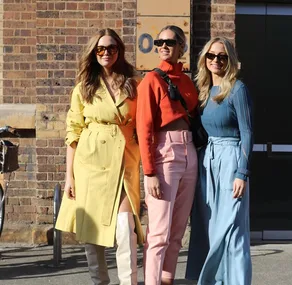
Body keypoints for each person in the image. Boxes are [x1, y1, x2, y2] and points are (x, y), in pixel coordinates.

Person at [55, 28, 144, 285]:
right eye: (100, 49)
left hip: (125, 159)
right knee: (92, 230)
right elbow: (73, 133)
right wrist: (69, 177)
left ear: (119, 51)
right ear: (94, 53)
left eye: (112, 48)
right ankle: (100, 282)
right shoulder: (83, 87)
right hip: (90, 162)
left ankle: (129, 282)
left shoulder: (133, 84)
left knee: (125, 228)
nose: (106, 53)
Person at [186, 37, 254, 285]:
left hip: (231, 160)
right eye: (211, 56)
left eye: (222, 56)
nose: (216, 60)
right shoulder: (203, 91)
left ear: (230, 60)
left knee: (232, 228)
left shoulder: (237, 89)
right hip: (208, 163)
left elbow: (247, 132)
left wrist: (242, 172)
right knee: (211, 227)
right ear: (205, 59)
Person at [136, 25, 198, 285]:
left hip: (189, 152)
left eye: (169, 42)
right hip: (165, 153)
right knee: (159, 231)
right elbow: (144, 128)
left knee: (177, 230)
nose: (163, 46)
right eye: (159, 42)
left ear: (181, 46)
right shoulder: (151, 80)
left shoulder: (187, 81)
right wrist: (149, 172)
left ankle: (166, 280)